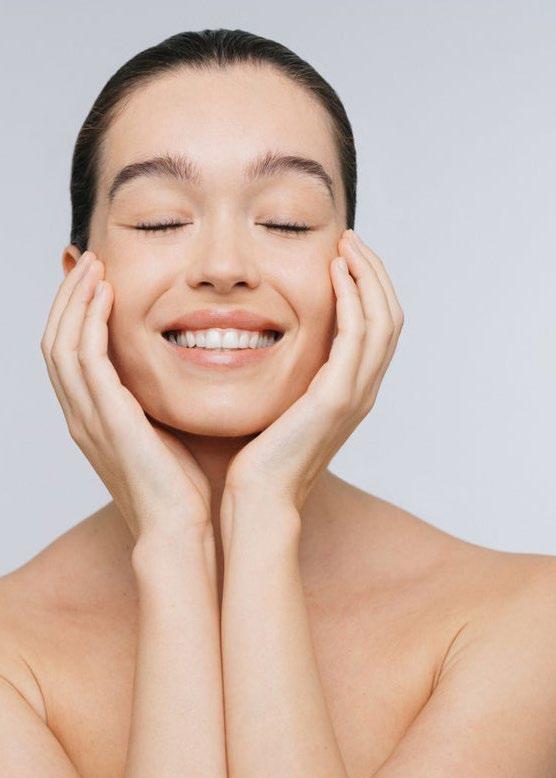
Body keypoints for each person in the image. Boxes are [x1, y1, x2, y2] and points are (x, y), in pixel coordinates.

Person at [1, 27, 556, 778]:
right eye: (160, 220)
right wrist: (173, 541)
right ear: (78, 281)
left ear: (354, 274)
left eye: (285, 220)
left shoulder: (528, 621)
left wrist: (262, 518)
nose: (224, 266)